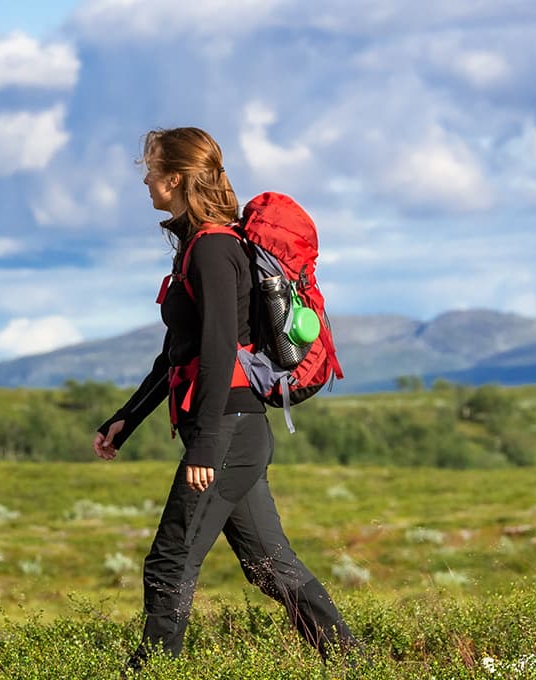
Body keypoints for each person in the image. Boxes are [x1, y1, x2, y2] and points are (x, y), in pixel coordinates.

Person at [92, 127, 358, 670]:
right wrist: (126, 418)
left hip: (230, 431)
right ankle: (354, 661)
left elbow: (217, 353)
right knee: (269, 564)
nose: (144, 178)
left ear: (177, 178)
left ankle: (154, 669)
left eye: (150, 168)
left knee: (169, 561)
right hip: (231, 429)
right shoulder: (199, 246)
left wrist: (205, 448)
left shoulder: (213, 249)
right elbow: (179, 354)